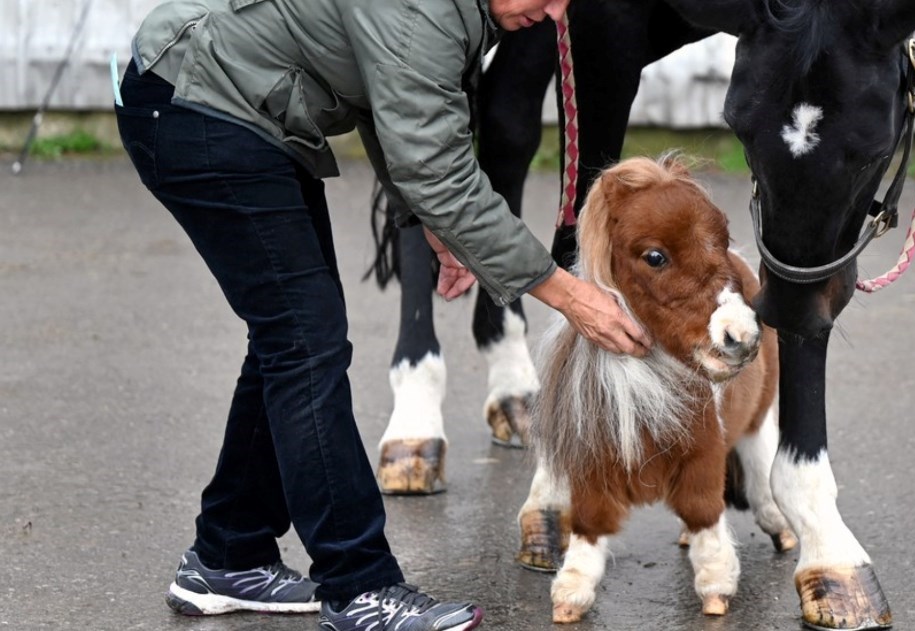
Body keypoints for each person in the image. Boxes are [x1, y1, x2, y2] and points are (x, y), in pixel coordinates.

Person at [114, 0, 651, 629]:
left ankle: (228, 553)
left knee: (292, 339)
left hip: (238, 110)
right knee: (303, 342)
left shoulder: (461, 12)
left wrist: (433, 224)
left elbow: (390, 104)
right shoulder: (419, 10)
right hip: (197, 104)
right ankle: (358, 583)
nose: (558, 10)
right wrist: (568, 293)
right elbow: (436, 167)